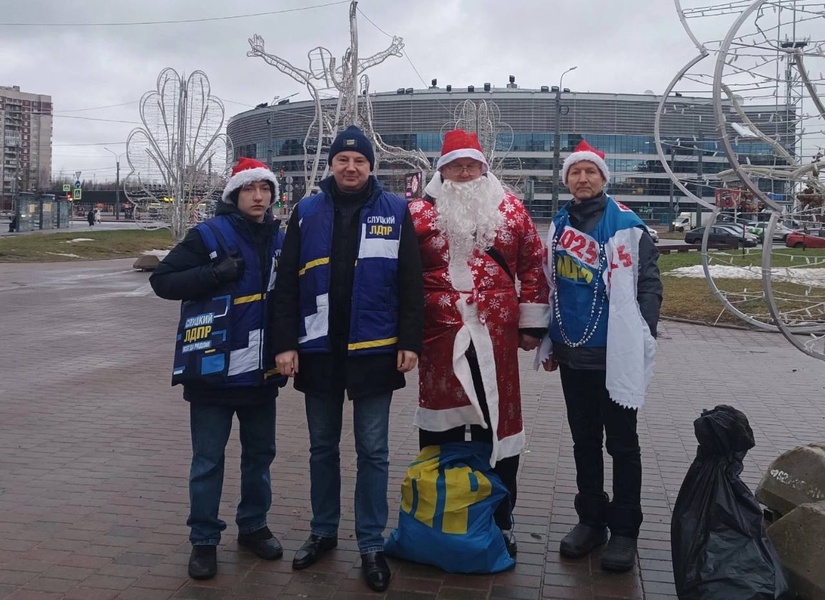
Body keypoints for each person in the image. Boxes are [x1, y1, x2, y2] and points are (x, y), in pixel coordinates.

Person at [271, 125, 424, 593]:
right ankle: (322, 531)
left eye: (359, 161)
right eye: (343, 160)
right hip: (318, 351)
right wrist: (284, 343)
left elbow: (411, 284)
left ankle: (371, 543)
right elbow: (287, 285)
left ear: (371, 167)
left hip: (374, 351)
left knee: (373, 452)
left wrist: (409, 341)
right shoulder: (306, 210)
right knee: (322, 449)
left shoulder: (396, 211)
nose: (351, 168)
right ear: (332, 165)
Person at [408, 129, 550, 558]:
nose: (465, 172)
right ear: (443, 169)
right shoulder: (416, 213)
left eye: (472, 164)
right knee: (440, 423)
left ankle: (501, 515)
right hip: (439, 335)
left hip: (497, 334)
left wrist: (532, 325)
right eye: (456, 165)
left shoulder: (510, 210)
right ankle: (437, 507)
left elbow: (532, 265)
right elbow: (401, 276)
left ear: (483, 167)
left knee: (499, 422)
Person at [149, 157, 286, 580]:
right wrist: (213, 274)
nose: (259, 197)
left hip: (260, 373)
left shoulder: (280, 236)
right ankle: (204, 540)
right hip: (212, 372)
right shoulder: (208, 234)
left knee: (259, 456)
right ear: (235, 194)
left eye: (266, 190)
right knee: (208, 460)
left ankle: (254, 526)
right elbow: (163, 281)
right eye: (251, 189)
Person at [538, 140, 662, 572]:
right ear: (567, 179)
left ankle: (625, 529)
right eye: (576, 172)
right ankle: (590, 520)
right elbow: (553, 287)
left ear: (603, 178)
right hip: (573, 355)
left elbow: (648, 283)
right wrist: (551, 341)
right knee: (584, 442)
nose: (583, 179)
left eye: (591, 172)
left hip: (616, 355)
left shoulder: (627, 223)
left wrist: (641, 336)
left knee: (623, 445)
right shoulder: (557, 224)